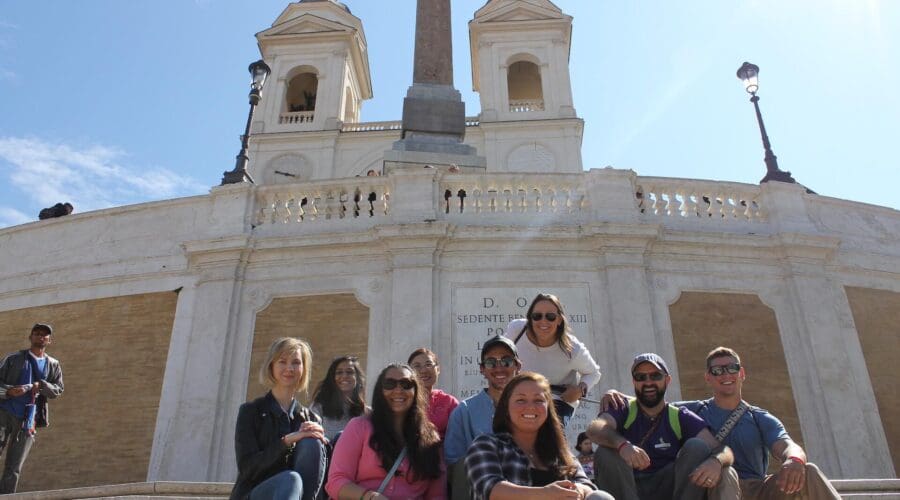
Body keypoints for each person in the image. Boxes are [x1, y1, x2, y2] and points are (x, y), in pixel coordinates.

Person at [681, 347, 841, 499]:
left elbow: (788, 446)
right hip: (713, 488)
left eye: (732, 368)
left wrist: (794, 460)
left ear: (742, 373)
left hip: (756, 490)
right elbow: (658, 409)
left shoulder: (759, 418)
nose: (726, 375)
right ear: (708, 377)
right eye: (717, 371)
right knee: (727, 472)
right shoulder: (694, 412)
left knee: (809, 470)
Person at [586, 353, 736, 500]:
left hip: (668, 488)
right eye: (641, 377)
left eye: (655, 376)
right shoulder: (622, 407)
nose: (648, 382)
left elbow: (723, 449)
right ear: (634, 382)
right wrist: (623, 445)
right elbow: (595, 428)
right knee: (606, 452)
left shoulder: (679, 416)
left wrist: (716, 462)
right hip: (628, 487)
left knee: (698, 447)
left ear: (667, 380)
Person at [465, 372, 613, 500]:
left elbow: (587, 485)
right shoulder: (486, 445)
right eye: (521, 400)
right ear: (506, 407)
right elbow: (490, 489)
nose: (530, 407)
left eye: (539, 400)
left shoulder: (559, 451)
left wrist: (578, 490)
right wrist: (545, 494)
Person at [327, 364, 446, 499]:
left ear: (415, 391)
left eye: (406, 384)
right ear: (380, 390)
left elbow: (437, 495)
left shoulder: (430, 437)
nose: (398, 389)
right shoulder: (358, 427)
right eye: (390, 384)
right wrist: (369, 497)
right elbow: (336, 482)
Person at [230, 337, 327, 500]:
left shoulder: (310, 418)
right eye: (282, 361)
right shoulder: (250, 411)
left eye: (296, 362)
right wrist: (286, 441)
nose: (289, 368)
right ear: (271, 366)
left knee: (313, 443)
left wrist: (324, 445)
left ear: (303, 368)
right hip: (253, 493)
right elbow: (248, 469)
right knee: (290, 479)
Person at [505, 293, 602, 427]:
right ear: (530, 318)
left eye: (550, 317)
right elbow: (503, 356)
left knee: (549, 432)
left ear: (559, 320)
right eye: (537, 316)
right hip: (520, 396)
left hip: (558, 400)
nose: (543, 321)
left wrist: (580, 390)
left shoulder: (573, 349)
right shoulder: (516, 330)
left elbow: (593, 373)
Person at [445, 335, 522, 500]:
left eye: (506, 361)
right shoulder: (463, 412)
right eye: (491, 362)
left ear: (518, 365)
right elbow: (455, 467)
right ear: (482, 369)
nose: (499, 368)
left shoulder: (533, 409)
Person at [0, 323, 64, 493]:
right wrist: (8, 391)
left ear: (50, 340)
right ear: (30, 337)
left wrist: (41, 385)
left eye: (44, 335)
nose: (40, 336)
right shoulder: (13, 359)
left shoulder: (53, 364)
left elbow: (58, 389)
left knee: (14, 465)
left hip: (28, 420)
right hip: (4, 413)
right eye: (36, 333)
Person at [310, 355, 369, 441]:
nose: (344, 376)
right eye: (339, 372)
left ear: (357, 378)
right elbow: (311, 433)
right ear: (332, 378)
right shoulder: (319, 407)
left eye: (349, 372)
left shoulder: (366, 413)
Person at [408, 347, 459, 438]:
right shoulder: (404, 400)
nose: (423, 370)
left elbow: (458, 438)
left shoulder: (449, 402)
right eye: (417, 366)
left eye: (428, 364)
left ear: (438, 369)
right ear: (409, 372)